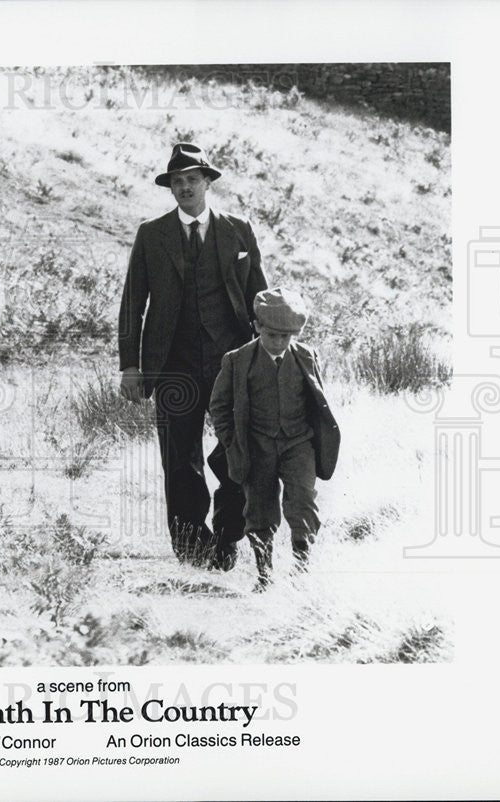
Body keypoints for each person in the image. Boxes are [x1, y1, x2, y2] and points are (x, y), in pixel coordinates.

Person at [119, 143, 267, 568]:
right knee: (180, 459)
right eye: (177, 182)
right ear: (171, 188)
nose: (185, 187)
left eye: (192, 180)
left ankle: (227, 537)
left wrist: (271, 347)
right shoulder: (152, 234)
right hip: (172, 366)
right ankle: (191, 547)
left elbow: (258, 293)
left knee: (235, 452)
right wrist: (131, 365)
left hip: (232, 361)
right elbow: (133, 303)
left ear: (207, 182)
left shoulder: (238, 229)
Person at [208, 288, 341, 591]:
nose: (279, 343)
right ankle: (264, 576)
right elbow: (219, 406)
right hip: (257, 447)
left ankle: (302, 571)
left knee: (303, 503)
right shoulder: (237, 360)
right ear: (257, 326)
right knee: (260, 511)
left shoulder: (307, 357)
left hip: (299, 444)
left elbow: (317, 402)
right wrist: (232, 443)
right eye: (272, 335)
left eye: (286, 337)